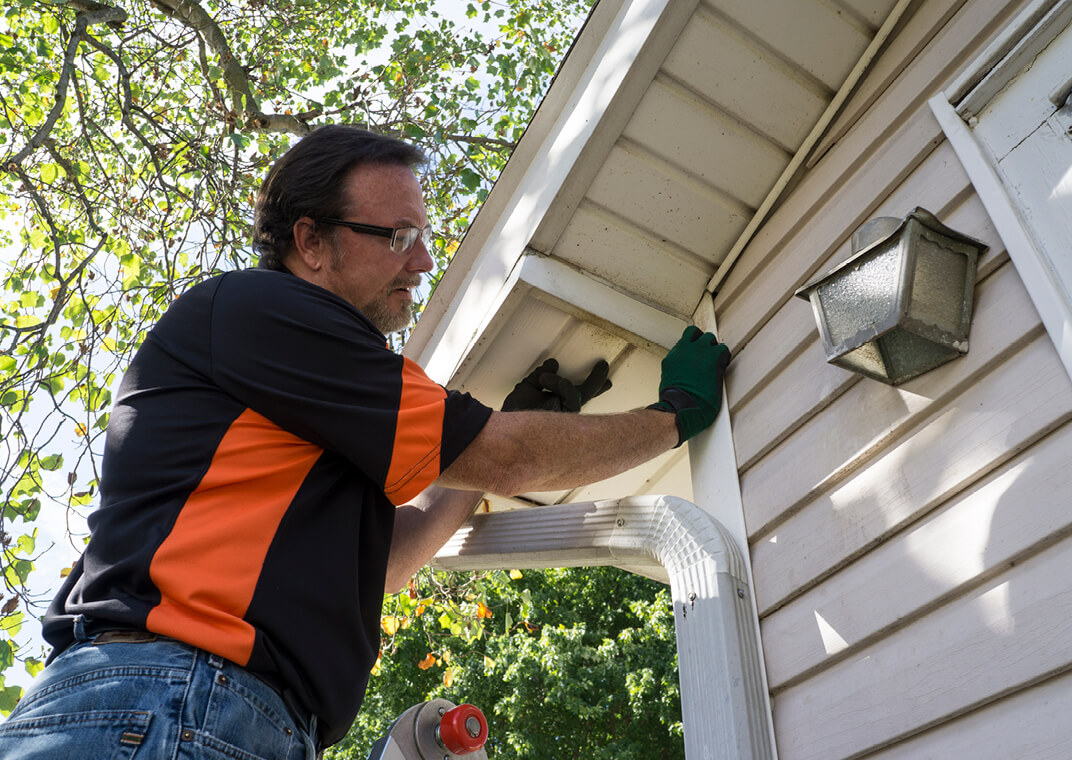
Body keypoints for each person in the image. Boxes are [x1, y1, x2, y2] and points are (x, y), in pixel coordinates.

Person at [0, 125, 730, 759]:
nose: (420, 262)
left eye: (424, 239)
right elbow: (506, 455)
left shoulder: (304, 411)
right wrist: (673, 415)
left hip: (202, 711)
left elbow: (379, 565)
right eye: (398, 237)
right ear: (311, 241)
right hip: (172, 698)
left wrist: (476, 457)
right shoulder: (265, 312)